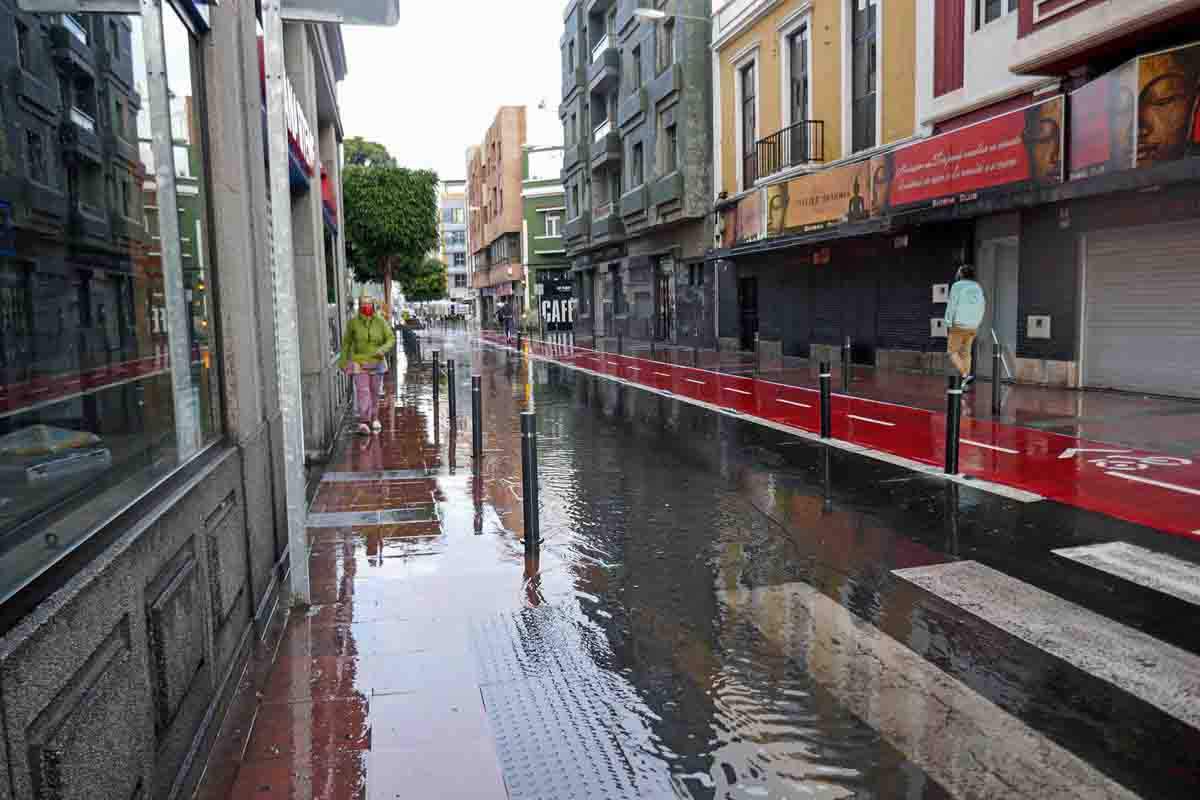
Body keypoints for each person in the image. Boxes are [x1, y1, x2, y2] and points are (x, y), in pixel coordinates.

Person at [339, 295, 395, 435]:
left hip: (377, 363)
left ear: (373, 305)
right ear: (359, 305)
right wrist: (343, 361)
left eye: (369, 304)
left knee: (375, 392)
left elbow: (390, 338)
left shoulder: (381, 322)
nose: (366, 306)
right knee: (363, 392)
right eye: (363, 304)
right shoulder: (353, 323)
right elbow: (347, 343)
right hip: (359, 363)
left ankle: (374, 418)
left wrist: (382, 349)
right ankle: (364, 421)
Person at [945, 265, 986, 388]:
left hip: (959, 324)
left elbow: (952, 304)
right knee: (966, 353)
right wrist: (978, 322)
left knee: (952, 352)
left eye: (959, 271)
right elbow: (983, 305)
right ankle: (965, 382)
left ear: (961, 274)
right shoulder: (977, 287)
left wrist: (948, 322)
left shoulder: (957, 286)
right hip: (973, 325)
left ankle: (965, 374)